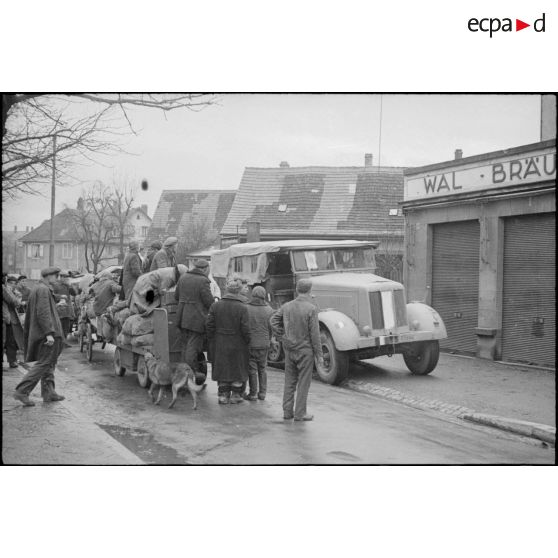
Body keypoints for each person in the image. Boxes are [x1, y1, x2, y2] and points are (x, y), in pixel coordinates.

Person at [270, 278, 324, 421]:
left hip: (289, 349)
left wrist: (281, 336)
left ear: (297, 290)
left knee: (289, 381)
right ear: (310, 290)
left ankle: (287, 412)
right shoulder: (311, 309)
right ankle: (300, 413)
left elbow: (273, 320)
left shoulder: (286, 306)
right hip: (305, 351)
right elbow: (315, 334)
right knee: (303, 382)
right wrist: (319, 355)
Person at [13, 267, 66, 406]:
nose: (58, 278)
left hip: (43, 333)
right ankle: (22, 391)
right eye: (56, 276)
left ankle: (49, 392)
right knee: (44, 362)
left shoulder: (39, 288)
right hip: (46, 334)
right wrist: (49, 333)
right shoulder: (42, 289)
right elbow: (42, 313)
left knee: (49, 362)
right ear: (49, 276)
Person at [206, 276, 251, 404]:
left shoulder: (216, 306)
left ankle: (223, 395)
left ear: (226, 290)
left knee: (222, 368)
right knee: (237, 368)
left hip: (220, 342)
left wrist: (212, 340)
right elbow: (246, 328)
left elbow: (209, 325)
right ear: (238, 291)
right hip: (238, 343)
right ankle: (236, 395)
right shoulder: (242, 308)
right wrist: (247, 341)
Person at [175, 259, 214, 380]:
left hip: (182, 316)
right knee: (193, 347)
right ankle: (192, 373)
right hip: (196, 319)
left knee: (185, 346)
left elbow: (177, 296)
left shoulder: (183, 277)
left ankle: (182, 373)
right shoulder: (203, 281)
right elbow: (209, 302)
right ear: (205, 269)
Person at [244, 285, 273, 401]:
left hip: (251, 343)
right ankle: (263, 393)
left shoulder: (246, 308)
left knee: (252, 370)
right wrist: (269, 339)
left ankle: (253, 394)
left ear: (253, 295)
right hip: (264, 343)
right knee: (263, 368)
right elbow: (271, 328)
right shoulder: (269, 310)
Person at [3, 274, 24, 368]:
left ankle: (12, 361)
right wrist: (18, 297)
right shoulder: (4, 288)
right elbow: (14, 302)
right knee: (11, 340)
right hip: (8, 318)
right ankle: (12, 361)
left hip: (8, 318)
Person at [53, 270, 77, 342]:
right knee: (59, 325)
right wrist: (60, 296)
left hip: (67, 309)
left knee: (66, 326)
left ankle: (64, 341)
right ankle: (60, 342)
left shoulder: (68, 285)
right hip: (59, 308)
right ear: (61, 277)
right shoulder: (55, 285)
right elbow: (52, 295)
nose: (66, 279)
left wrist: (70, 286)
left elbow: (74, 293)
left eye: (67, 277)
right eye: (65, 277)